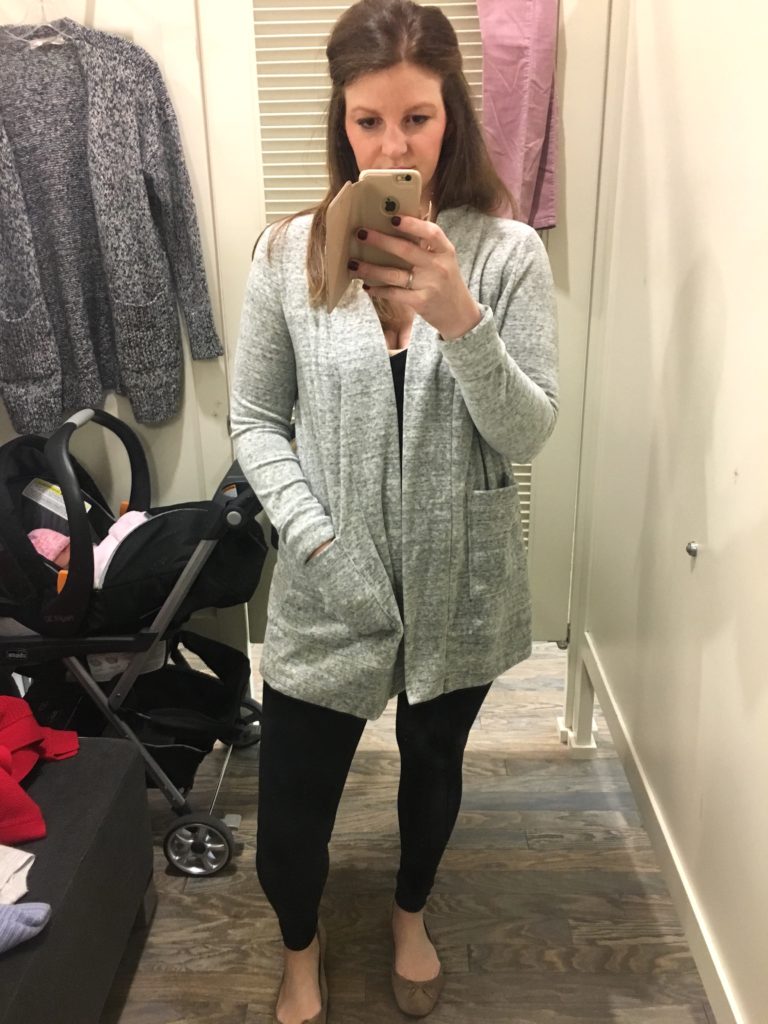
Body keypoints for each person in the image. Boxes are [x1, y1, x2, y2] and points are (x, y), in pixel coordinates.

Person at [230, 2, 559, 1021]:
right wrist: (316, 538)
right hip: (328, 586)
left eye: (417, 118)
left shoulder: (507, 256)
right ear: (341, 120)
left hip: (461, 588)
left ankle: (411, 910)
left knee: (433, 772)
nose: (393, 146)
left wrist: (459, 318)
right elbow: (255, 420)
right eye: (368, 121)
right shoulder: (287, 255)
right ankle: (301, 944)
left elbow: (528, 432)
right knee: (290, 818)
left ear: (452, 113)